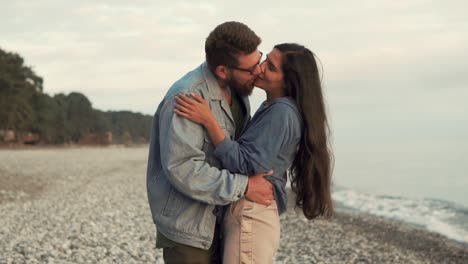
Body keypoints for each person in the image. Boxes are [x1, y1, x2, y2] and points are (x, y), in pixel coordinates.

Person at [174, 43, 334, 263]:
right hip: (250, 212)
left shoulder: (282, 112)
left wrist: (209, 121)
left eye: (271, 67)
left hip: (253, 213)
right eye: (265, 59)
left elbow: (247, 164)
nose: (259, 68)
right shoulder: (271, 107)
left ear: (288, 81)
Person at [146, 21, 276, 264]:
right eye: (250, 69)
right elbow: (183, 168)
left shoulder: (239, 92)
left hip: (223, 218)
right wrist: (245, 186)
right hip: (189, 228)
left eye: (259, 59)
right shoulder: (187, 96)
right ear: (223, 71)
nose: (258, 71)